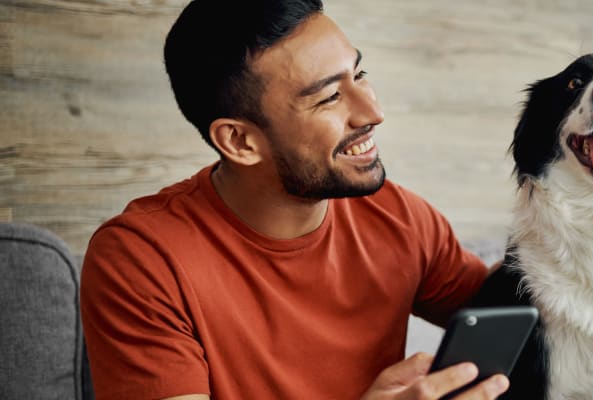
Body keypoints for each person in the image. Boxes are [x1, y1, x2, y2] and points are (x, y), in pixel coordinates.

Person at [79, 0, 510, 399]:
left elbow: (524, 313)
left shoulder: (400, 217)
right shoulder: (140, 259)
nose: (372, 112)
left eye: (358, 75)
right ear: (240, 140)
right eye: (329, 97)